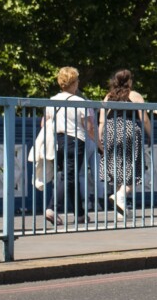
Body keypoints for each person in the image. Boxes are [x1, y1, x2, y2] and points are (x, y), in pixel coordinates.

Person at [41, 66, 94, 225]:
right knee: (68, 176)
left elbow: (45, 122)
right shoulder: (80, 102)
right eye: (77, 80)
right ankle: (52, 208)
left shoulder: (52, 100)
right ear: (73, 83)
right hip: (75, 140)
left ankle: (79, 214)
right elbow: (89, 127)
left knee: (68, 176)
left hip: (58, 140)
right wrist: (99, 144)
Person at [98, 69, 151, 218]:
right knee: (134, 168)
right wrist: (151, 135)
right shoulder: (134, 95)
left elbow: (101, 121)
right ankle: (121, 194)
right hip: (129, 130)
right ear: (129, 81)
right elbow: (144, 119)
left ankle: (120, 209)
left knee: (117, 170)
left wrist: (99, 139)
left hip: (110, 131)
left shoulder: (108, 97)